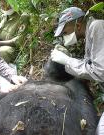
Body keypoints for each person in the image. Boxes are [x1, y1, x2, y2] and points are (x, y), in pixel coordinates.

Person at [50, 4, 104, 135]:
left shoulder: (97, 27)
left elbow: (100, 72)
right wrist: (67, 60)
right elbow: (89, 64)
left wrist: (67, 61)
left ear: (78, 25)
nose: (65, 37)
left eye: (65, 32)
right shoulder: (90, 32)